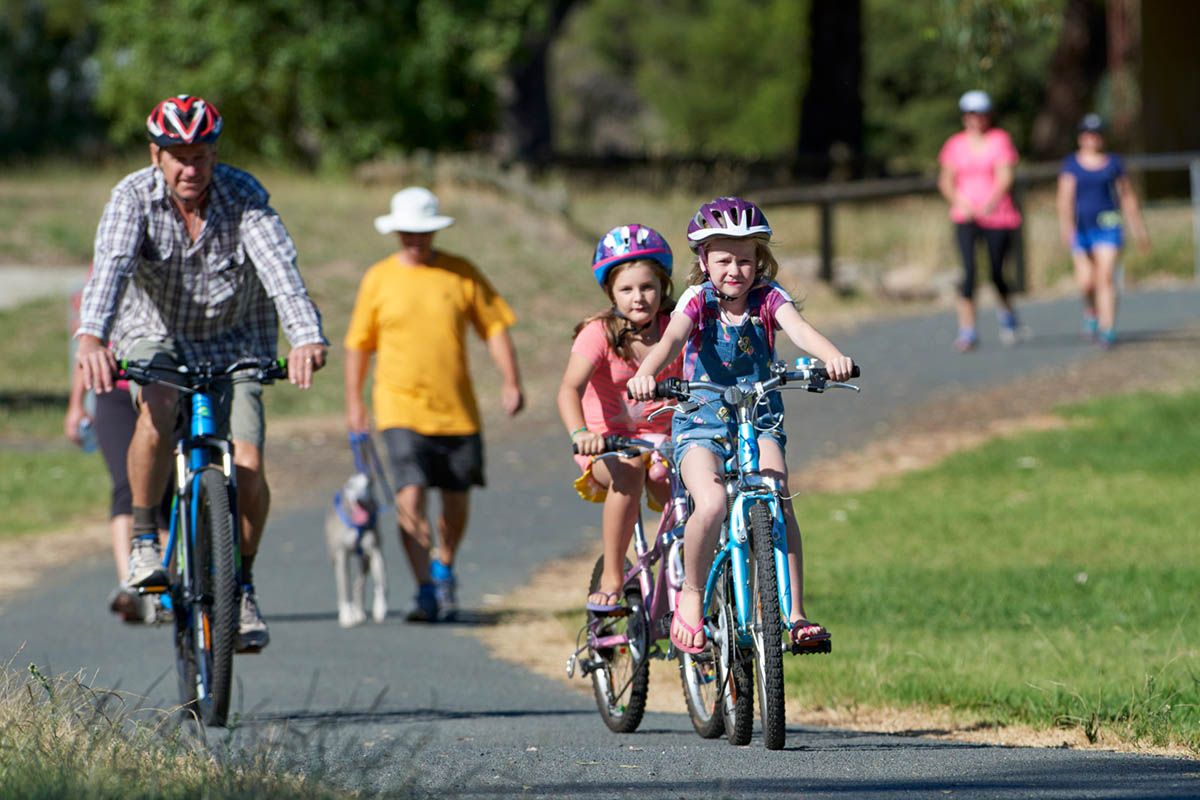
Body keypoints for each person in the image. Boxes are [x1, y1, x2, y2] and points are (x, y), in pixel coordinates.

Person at [75, 94, 329, 652]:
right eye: (178, 156)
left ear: (216, 155)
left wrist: (306, 334)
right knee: (159, 405)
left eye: (202, 155)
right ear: (156, 155)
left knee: (250, 462)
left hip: (237, 339)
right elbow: (111, 268)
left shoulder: (244, 196)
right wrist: (91, 337)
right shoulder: (132, 198)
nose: (191, 168)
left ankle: (241, 586)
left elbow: (280, 266)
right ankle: (145, 535)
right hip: (155, 334)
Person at [628, 197, 854, 654]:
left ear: (760, 260)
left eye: (746, 259)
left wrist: (831, 357)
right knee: (709, 502)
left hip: (759, 417)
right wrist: (647, 372)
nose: (735, 270)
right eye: (724, 259)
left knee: (778, 495)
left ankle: (795, 615)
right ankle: (691, 596)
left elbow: (800, 328)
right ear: (704, 260)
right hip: (701, 420)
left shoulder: (769, 298)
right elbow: (671, 339)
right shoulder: (698, 300)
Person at [344, 187, 524, 623]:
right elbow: (358, 345)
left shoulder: (461, 274)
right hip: (399, 407)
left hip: (457, 410)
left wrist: (511, 381)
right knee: (409, 494)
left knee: (456, 501)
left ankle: (444, 563)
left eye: (423, 233)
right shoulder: (379, 278)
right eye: (407, 233)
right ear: (396, 233)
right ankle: (425, 586)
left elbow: (494, 327)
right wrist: (355, 402)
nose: (415, 241)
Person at [556, 224, 682, 613]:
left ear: (663, 287)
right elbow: (569, 389)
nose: (639, 297)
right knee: (629, 469)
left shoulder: (676, 329)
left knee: (677, 486)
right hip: (608, 443)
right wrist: (581, 432)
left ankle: (684, 578)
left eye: (647, 287)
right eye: (626, 289)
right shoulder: (598, 333)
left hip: (663, 441)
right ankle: (613, 573)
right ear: (610, 292)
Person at [937, 90, 1024, 352]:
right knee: (969, 272)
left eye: (980, 114)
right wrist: (962, 203)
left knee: (996, 272)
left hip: (997, 215)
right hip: (966, 215)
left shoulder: (1000, 140)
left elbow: (1005, 176)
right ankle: (968, 329)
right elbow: (946, 180)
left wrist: (990, 202)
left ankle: (1007, 313)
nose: (976, 120)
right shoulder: (955, 144)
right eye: (971, 114)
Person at [1056, 113, 1151, 349]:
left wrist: (1139, 230)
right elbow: (1065, 198)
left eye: (1096, 134)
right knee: (1086, 283)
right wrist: (1066, 228)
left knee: (1105, 277)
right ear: (1080, 137)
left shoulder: (1113, 163)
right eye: (1088, 134)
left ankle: (1107, 328)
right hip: (1082, 228)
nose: (1092, 139)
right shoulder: (1072, 164)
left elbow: (1127, 197)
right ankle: (1092, 312)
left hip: (1108, 226)